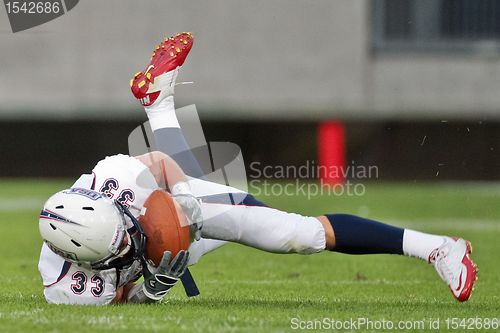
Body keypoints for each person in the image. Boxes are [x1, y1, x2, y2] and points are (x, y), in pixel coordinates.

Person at [38, 32, 477, 306]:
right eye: (119, 245)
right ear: (81, 261)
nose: (130, 237)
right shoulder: (66, 286)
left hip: (170, 204)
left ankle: (437, 247)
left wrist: (188, 205)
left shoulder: (114, 178)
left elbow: (161, 164)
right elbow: (118, 301)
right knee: (271, 217)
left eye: (123, 229)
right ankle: (159, 103)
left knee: (299, 234)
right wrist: (148, 292)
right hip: (161, 262)